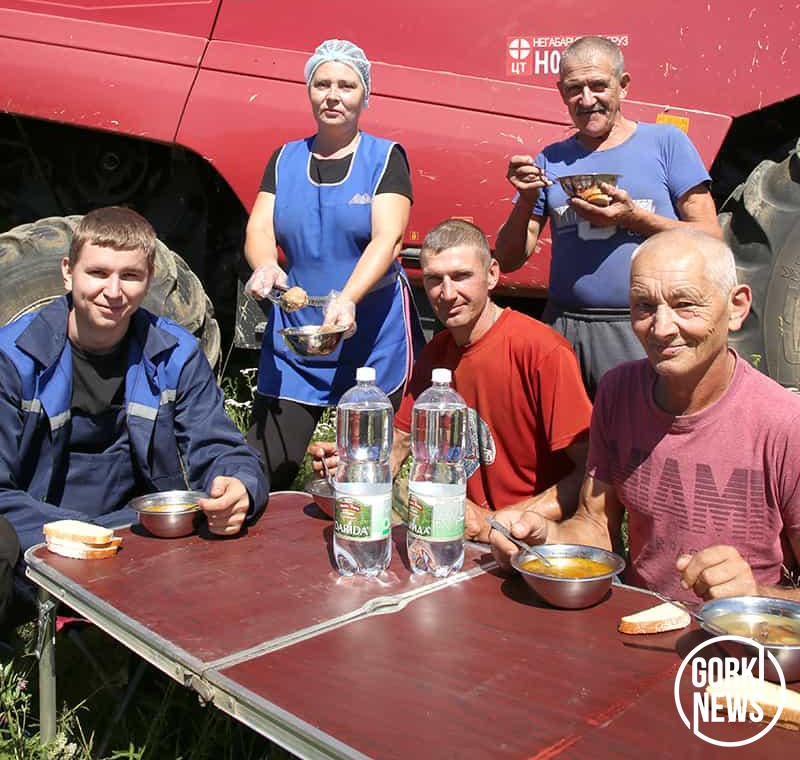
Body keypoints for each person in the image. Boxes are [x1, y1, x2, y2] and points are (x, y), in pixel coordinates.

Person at [490, 229, 800, 604]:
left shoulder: (784, 424)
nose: (662, 328)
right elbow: (595, 524)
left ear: (736, 307)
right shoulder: (618, 392)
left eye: (685, 304)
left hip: (739, 638)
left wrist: (755, 596)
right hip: (635, 624)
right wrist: (545, 538)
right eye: (644, 306)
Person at [0, 206, 268, 605]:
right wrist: (83, 534)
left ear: (149, 279)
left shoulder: (175, 354)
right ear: (67, 272)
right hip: (39, 536)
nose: (113, 292)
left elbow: (219, 446)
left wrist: (239, 486)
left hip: (138, 537)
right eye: (98, 273)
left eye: (129, 276)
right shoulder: (12, 358)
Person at [312, 219, 591, 541]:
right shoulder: (435, 353)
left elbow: (590, 473)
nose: (447, 294)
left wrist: (502, 522)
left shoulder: (542, 351)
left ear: (492, 274)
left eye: (461, 277)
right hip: (456, 530)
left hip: (535, 540)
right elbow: (400, 443)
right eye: (434, 279)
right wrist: (355, 465)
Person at [495, 35, 721, 396]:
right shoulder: (550, 159)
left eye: (598, 85)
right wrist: (526, 200)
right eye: (574, 89)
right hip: (564, 326)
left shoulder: (666, 143)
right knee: (566, 432)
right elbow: (508, 260)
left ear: (623, 85)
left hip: (643, 328)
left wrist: (634, 219)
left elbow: (712, 239)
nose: (587, 100)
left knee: (640, 428)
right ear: (561, 92)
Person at [244, 39, 424, 489]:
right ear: (308, 91)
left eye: (346, 85)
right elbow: (259, 228)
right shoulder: (284, 159)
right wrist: (265, 265)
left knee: (364, 475)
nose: (333, 95)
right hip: (299, 333)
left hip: (371, 333)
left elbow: (389, 238)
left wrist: (348, 298)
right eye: (322, 84)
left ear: (365, 95)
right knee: (263, 468)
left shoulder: (385, 158)